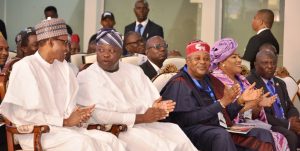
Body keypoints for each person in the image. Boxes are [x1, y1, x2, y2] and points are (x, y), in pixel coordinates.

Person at [0, 18, 124, 151]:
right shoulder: (25, 67)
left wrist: (79, 114)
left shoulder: (63, 67)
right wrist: (64, 121)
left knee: (111, 140)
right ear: (50, 41)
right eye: (64, 42)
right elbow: (21, 114)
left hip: (65, 130)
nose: (67, 48)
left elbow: (67, 106)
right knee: (83, 143)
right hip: (38, 133)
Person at [76, 29, 197, 151]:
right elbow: (99, 115)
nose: (105, 55)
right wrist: (141, 118)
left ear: (120, 52)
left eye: (111, 50)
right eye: (101, 50)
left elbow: (152, 101)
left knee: (176, 134)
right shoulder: (86, 76)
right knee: (162, 146)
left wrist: (157, 107)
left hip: (145, 124)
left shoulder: (134, 71)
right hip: (117, 128)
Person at [160, 40, 275, 151]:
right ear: (188, 61)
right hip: (190, 131)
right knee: (221, 135)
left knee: (262, 134)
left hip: (216, 127)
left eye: (206, 59)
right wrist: (221, 103)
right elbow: (186, 119)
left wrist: (240, 101)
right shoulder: (180, 83)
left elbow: (225, 115)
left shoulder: (211, 79)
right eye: (197, 58)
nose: (202, 62)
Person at [210, 38, 289, 151]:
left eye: (239, 56)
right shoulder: (216, 82)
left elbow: (253, 115)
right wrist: (248, 105)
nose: (239, 60)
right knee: (267, 138)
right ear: (222, 62)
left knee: (280, 137)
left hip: (247, 125)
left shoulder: (242, 80)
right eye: (234, 57)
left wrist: (258, 105)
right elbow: (224, 115)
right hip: (227, 129)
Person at [247, 49, 300, 151]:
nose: (270, 66)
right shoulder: (250, 82)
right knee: (291, 137)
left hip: (286, 122)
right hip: (267, 124)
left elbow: (290, 106)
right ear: (256, 64)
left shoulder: (280, 83)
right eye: (265, 63)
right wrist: (288, 125)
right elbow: (261, 114)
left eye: (273, 63)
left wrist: (294, 120)